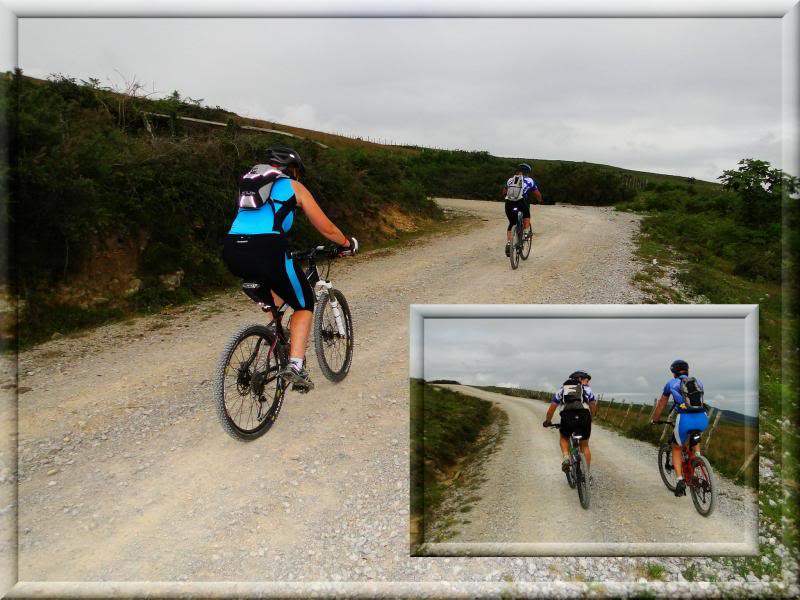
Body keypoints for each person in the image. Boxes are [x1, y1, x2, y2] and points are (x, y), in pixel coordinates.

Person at [222, 146, 358, 391]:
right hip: (268, 249)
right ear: (293, 170)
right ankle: (295, 366)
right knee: (304, 304)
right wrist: (346, 244)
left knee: (274, 295)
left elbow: (252, 224)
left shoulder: (250, 185)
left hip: (233, 249)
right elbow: (326, 228)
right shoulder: (293, 186)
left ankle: (277, 337)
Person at [651, 359, 709, 497]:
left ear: (673, 372)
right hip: (702, 418)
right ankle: (699, 461)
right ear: (687, 370)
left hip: (684, 419)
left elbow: (661, 404)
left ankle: (680, 480)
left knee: (676, 447)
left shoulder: (671, 384)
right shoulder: (698, 382)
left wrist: (655, 418)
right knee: (695, 439)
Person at [543, 370, 597, 475]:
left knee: (564, 437)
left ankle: (566, 457)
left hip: (567, 416)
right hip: (584, 416)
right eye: (587, 380)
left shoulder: (562, 389)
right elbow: (593, 404)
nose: (588, 383)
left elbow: (552, 408)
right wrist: (592, 416)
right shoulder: (587, 389)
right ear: (580, 379)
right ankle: (587, 474)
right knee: (584, 446)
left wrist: (548, 421)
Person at [502, 162, 542, 257]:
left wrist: (506, 196)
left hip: (509, 203)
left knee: (512, 223)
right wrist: (539, 200)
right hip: (521, 202)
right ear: (528, 172)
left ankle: (509, 243)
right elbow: (537, 193)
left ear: (517, 170)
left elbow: (504, 192)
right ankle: (525, 233)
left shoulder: (510, 180)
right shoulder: (529, 180)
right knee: (527, 215)